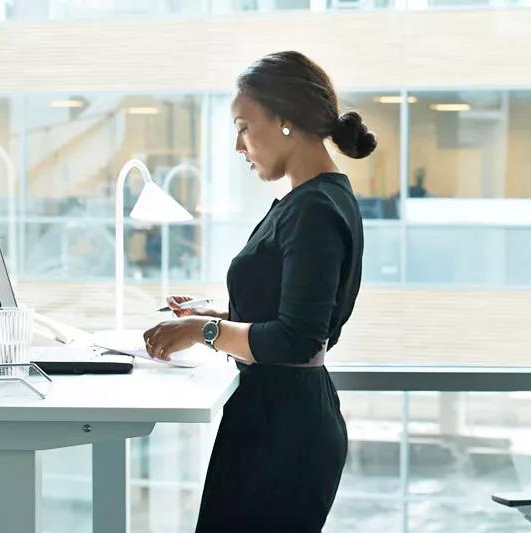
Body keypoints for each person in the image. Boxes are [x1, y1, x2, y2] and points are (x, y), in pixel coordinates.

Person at [142, 50, 376, 532]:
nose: (238, 146)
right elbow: (288, 308)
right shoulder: (311, 200)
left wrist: (201, 330)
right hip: (274, 419)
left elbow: (297, 338)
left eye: (244, 127)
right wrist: (217, 314)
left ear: (284, 120)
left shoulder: (314, 209)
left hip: (284, 434)